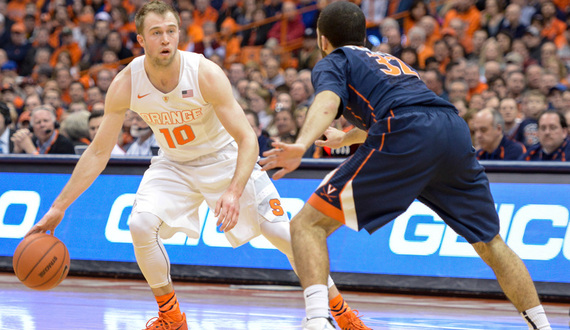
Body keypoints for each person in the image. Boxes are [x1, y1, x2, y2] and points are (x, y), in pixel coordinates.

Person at [24, 2, 367, 330]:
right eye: (156, 33)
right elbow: (98, 152)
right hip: (174, 163)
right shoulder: (126, 83)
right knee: (140, 224)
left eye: (171, 31)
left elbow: (248, 139)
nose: (166, 39)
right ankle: (171, 316)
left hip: (224, 158)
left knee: (284, 235)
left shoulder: (203, 72)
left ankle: (340, 312)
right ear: (141, 40)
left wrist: (233, 192)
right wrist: (58, 207)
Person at [259, 2, 552, 330]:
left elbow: (327, 100)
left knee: (306, 225)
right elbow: (404, 107)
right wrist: (344, 139)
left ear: (322, 39)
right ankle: (542, 326)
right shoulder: (390, 60)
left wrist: (301, 143)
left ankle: (317, 321)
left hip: (408, 133)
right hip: (450, 128)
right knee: (490, 241)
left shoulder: (335, 60)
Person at [11, 105, 75, 155]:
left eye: (46, 121)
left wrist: (31, 150)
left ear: (54, 123)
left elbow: (51, 170)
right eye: (38, 122)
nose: (42, 125)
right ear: (32, 127)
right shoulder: (32, 140)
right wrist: (17, 151)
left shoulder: (65, 144)